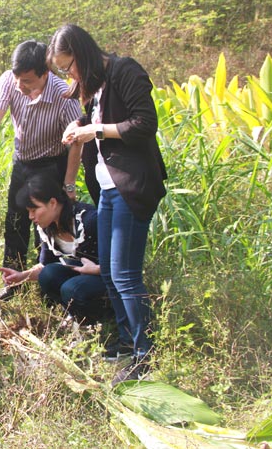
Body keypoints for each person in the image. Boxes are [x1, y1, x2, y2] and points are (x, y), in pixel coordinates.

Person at [49, 24, 168, 384]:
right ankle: (127, 342)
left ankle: (145, 355)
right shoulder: (95, 86)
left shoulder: (124, 70)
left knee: (126, 274)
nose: (69, 75)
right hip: (106, 188)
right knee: (114, 275)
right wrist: (79, 123)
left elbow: (144, 124)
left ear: (83, 55)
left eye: (69, 67)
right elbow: (97, 120)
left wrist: (93, 132)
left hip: (131, 186)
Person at [0, 40, 83, 271]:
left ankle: (47, 277)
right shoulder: (9, 80)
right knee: (15, 220)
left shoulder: (63, 95)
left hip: (51, 165)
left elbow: (76, 144)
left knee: (48, 224)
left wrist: (69, 183)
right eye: (17, 78)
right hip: (22, 163)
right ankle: (13, 280)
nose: (20, 85)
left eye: (27, 81)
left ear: (45, 73)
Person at [0, 174, 108, 324]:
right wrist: (21, 276)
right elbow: (45, 266)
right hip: (83, 279)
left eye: (34, 209)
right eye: (28, 211)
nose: (30, 216)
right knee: (48, 275)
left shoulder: (89, 220)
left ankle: (103, 318)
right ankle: (77, 317)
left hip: (108, 280)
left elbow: (124, 264)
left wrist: (97, 269)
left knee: (71, 289)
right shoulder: (49, 227)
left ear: (53, 203)